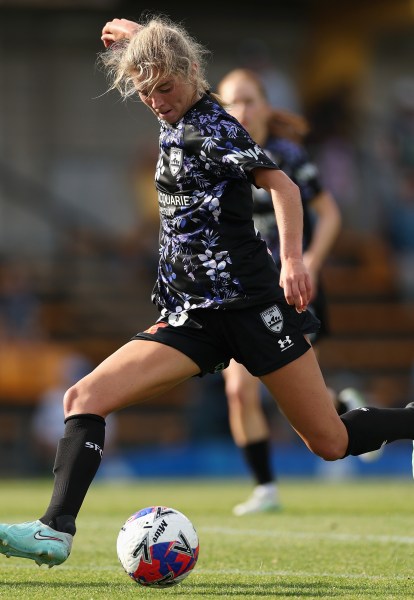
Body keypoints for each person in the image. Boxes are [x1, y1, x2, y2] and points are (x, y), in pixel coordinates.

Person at [1, 14, 413, 569]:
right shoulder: (181, 102)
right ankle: (55, 530)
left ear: (191, 74)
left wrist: (293, 260)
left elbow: (285, 188)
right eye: (145, 92)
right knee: (83, 398)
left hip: (251, 309)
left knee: (331, 442)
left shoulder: (213, 128)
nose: (157, 102)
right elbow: (170, 64)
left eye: (164, 88)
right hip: (192, 317)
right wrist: (139, 39)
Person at [215, 68, 379, 516]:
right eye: (231, 101)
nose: (241, 110)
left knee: (294, 393)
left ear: (266, 106)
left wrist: (309, 262)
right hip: (242, 292)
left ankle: (354, 415)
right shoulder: (218, 151)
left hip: (291, 287)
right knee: (238, 391)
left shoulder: (286, 154)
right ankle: (266, 489)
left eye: (249, 99)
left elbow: (330, 214)